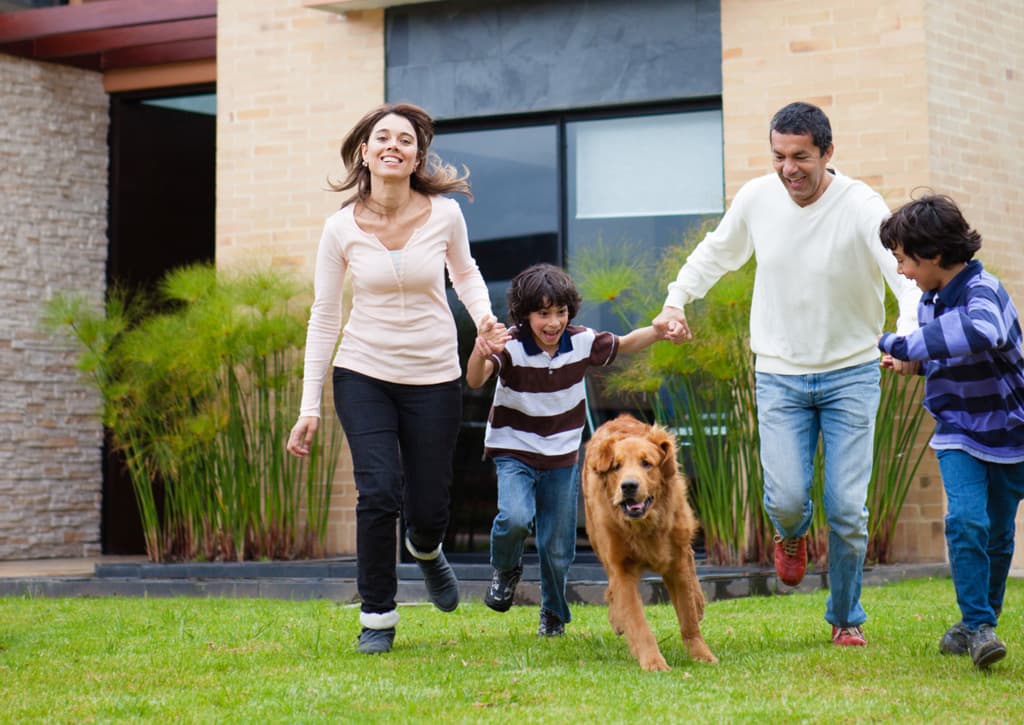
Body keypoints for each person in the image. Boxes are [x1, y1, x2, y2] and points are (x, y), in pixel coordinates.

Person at [652, 101, 921, 647]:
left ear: (827, 152)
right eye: (778, 156)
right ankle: (791, 534)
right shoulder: (757, 198)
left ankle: (846, 615)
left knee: (847, 508)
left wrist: (911, 337)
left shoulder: (861, 205)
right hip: (778, 374)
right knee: (789, 498)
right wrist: (677, 301)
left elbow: (904, 277)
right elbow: (714, 254)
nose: (788, 168)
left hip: (851, 372)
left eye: (800, 156)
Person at [286, 102, 505, 655]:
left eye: (404, 140)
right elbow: (325, 315)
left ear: (416, 157)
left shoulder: (444, 215)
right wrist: (308, 406)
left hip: (434, 375)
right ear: (364, 153)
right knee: (378, 491)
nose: (393, 145)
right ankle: (377, 618)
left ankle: (427, 550)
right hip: (363, 373)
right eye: (381, 138)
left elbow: (467, 274)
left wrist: (484, 318)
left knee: (429, 508)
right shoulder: (339, 229)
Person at [466, 263, 665, 637]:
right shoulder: (509, 345)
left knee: (557, 547)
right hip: (515, 450)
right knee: (515, 517)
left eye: (560, 312)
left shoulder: (582, 342)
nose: (553, 322)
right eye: (543, 314)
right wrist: (480, 351)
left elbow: (625, 343)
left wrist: (658, 331)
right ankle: (505, 570)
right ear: (525, 315)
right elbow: (475, 379)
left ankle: (553, 613)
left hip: (561, 457)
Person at [877, 194, 1024, 669]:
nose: (901, 270)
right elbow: (946, 354)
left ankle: (977, 625)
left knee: (999, 534)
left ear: (934, 255)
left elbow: (979, 334)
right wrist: (912, 364)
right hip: (957, 427)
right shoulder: (929, 300)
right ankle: (978, 624)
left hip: (1009, 432)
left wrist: (899, 342)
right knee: (966, 521)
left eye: (903, 258)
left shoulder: (985, 292)